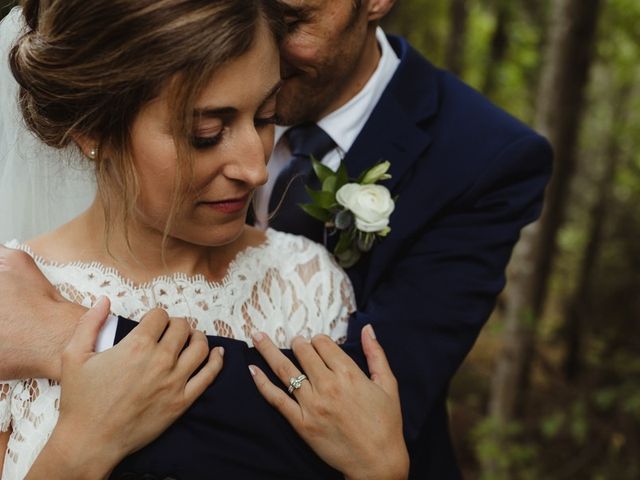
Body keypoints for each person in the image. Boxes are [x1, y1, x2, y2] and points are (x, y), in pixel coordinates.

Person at [0, 0, 554, 478]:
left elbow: (370, 417)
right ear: (92, 129)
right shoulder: (13, 300)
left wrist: (79, 339)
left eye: (265, 117)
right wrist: (74, 454)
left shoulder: (313, 279)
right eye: (207, 134)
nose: (255, 169)